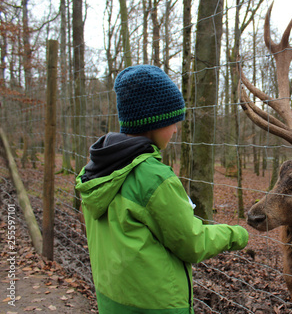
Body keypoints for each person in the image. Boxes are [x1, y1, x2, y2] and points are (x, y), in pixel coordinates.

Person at [75, 65, 249, 314]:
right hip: (156, 305)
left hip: (112, 298)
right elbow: (191, 242)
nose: (176, 129)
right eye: (173, 122)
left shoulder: (98, 169)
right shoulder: (154, 177)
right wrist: (235, 235)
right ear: (153, 122)